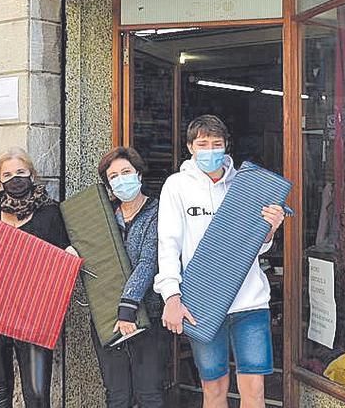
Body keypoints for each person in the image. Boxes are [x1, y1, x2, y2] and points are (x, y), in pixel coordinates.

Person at [154, 115, 286, 408]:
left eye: (217, 143)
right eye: (203, 144)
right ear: (190, 147)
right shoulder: (176, 186)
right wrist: (172, 297)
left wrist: (271, 229)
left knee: (255, 390)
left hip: (249, 303)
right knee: (213, 390)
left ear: (227, 146)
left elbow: (258, 246)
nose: (210, 150)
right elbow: (168, 245)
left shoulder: (246, 185)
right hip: (201, 305)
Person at [0, 147, 70, 408]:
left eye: (21, 172)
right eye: (7, 174)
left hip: (35, 318)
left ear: (32, 175)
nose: (15, 179)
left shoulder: (51, 214)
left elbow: (62, 263)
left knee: (37, 395)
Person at [91, 146, 168, 407]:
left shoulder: (158, 212)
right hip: (107, 315)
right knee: (116, 393)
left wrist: (129, 306)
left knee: (149, 391)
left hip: (146, 312)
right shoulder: (104, 218)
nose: (121, 179)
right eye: (113, 176)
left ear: (139, 175)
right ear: (108, 185)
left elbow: (149, 261)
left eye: (126, 172)